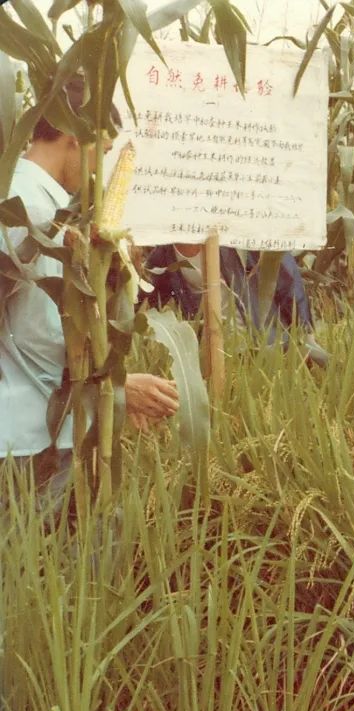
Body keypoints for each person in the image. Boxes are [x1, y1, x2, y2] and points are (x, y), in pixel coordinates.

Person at [0, 76, 179, 503]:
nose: (105, 166)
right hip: (38, 439)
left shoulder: (22, 196)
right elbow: (43, 333)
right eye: (104, 147)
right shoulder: (36, 212)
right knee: (64, 564)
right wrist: (116, 387)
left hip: (25, 430)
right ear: (70, 134)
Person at [139, 242, 329, 367]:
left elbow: (288, 282)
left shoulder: (240, 238)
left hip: (268, 345)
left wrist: (306, 332)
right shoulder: (164, 256)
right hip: (220, 356)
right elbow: (145, 298)